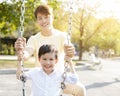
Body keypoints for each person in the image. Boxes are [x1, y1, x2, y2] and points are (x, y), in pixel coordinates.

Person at [15, 4, 86, 96]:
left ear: (52, 18)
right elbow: (27, 53)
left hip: (59, 80)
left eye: (46, 17)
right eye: (40, 18)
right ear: (37, 20)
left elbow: (67, 46)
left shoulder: (62, 36)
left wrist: (69, 50)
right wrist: (21, 52)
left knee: (80, 89)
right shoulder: (34, 39)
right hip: (42, 80)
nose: (43, 21)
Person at [16, 44, 81, 96]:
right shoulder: (34, 72)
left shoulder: (60, 74)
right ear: (39, 59)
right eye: (44, 59)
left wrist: (70, 63)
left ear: (56, 60)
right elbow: (20, 76)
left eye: (51, 59)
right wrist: (19, 61)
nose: (47, 63)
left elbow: (74, 80)